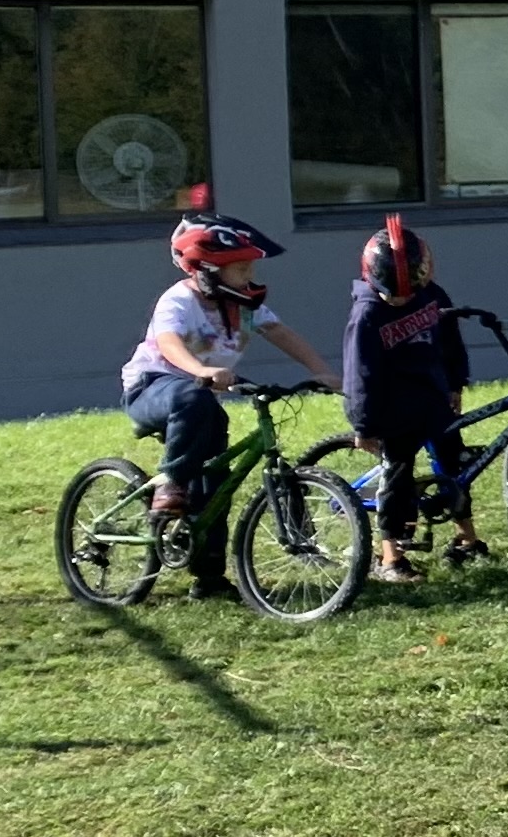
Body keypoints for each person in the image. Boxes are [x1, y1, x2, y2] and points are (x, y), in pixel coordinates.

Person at [117, 214, 337, 596]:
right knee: (193, 397)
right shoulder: (180, 299)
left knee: (217, 483)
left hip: (201, 403)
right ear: (207, 271)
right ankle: (171, 480)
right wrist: (199, 369)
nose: (249, 274)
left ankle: (209, 576)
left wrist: (322, 372)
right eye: (240, 268)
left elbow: (281, 334)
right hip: (153, 389)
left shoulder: (244, 306)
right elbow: (169, 342)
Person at [341, 214, 486, 584]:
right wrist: (364, 425)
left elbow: (451, 342)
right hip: (394, 410)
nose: (403, 299)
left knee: (454, 470)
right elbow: (359, 375)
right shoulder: (368, 314)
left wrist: (455, 384)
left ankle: (467, 538)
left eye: (410, 291)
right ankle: (390, 558)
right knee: (398, 479)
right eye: (395, 293)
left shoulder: (432, 296)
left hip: (434, 399)